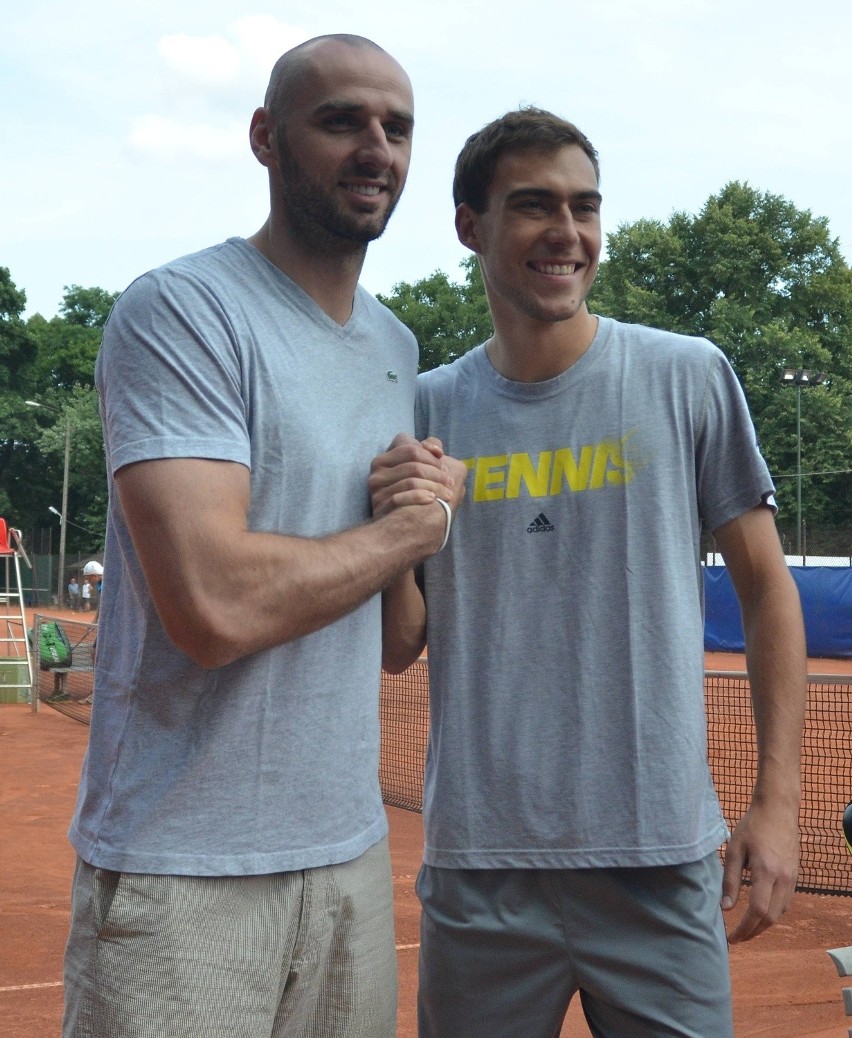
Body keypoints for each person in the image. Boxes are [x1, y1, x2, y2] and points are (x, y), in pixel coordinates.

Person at [370, 108, 807, 1038]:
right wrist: (398, 526)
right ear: (470, 227)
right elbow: (399, 644)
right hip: (480, 869)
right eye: (533, 206)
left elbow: (769, 592)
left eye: (584, 207)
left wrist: (774, 802)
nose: (566, 233)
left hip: (658, 865)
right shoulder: (424, 408)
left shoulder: (687, 376)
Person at [63, 34, 466, 1038]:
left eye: (398, 128)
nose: (377, 147)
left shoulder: (394, 345)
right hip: (184, 874)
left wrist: (413, 541)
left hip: (351, 858)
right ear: (266, 139)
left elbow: (394, 640)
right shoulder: (184, 312)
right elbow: (213, 605)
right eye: (342, 120)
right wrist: (411, 529)